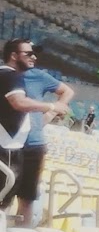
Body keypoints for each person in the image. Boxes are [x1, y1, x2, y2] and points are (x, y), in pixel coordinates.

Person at [1, 39, 65, 221]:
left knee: (9, 198)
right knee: (4, 197)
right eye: (28, 54)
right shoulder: (11, 76)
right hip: (7, 147)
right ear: (14, 56)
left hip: (12, 145)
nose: (34, 57)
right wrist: (51, 106)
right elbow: (19, 102)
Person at [22, 61, 74, 227]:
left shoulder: (37, 76)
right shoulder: (6, 74)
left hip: (32, 145)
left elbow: (67, 91)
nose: (33, 57)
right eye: (28, 53)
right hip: (8, 143)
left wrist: (53, 110)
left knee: (27, 196)